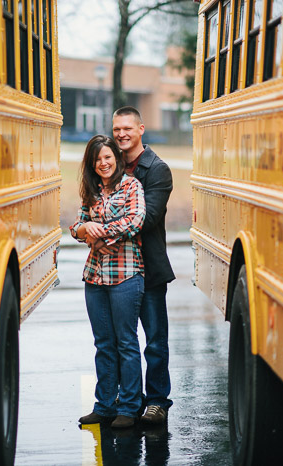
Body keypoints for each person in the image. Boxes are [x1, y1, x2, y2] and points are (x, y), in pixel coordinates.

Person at [70, 135, 147, 429]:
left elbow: (135, 219)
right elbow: (76, 225)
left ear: (116, 158)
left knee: (126, 342)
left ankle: (128, 406)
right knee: (103, 344)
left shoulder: (131, 186)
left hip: (126, 274)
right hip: (95, 276)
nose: (102, 163)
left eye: (107, 158)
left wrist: (99, 234)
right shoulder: (90, 191)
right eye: (97, 159)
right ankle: (104, 406)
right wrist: (84, 230)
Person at [112, 106, 175, 424]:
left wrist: (103, 225)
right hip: (117, 270)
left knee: (154, 340)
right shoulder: (109, 165)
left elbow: (147, 218)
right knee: (121, 340)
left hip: (148, 268)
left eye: (127, 128)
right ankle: (129, 398)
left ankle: (158, 401)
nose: (121, 134)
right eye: (116, 129)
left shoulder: (157, 170)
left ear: (141, 129)